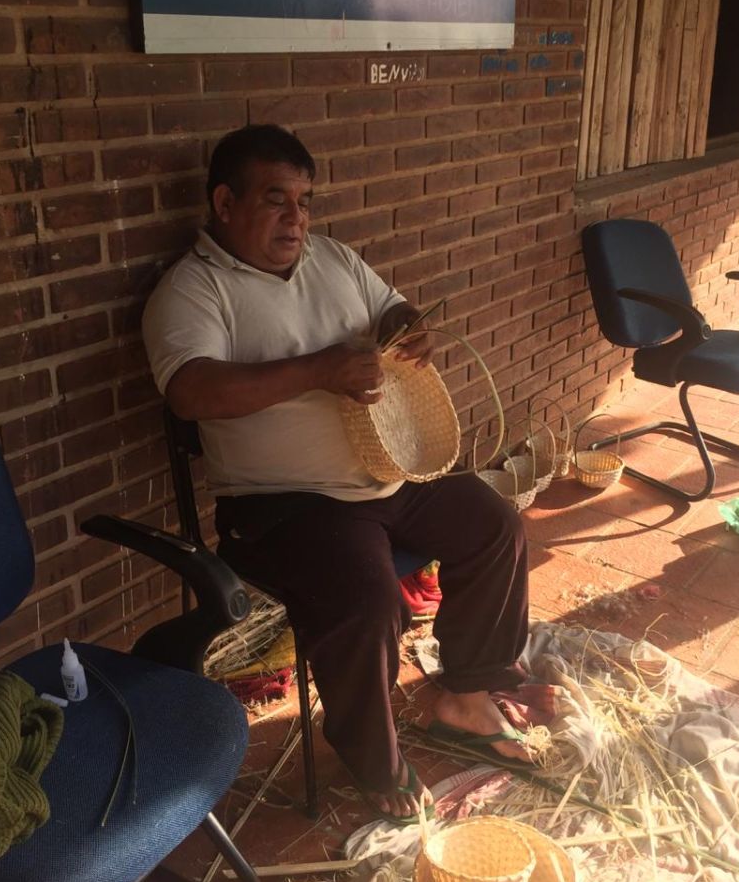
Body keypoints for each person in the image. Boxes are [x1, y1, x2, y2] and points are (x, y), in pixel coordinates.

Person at [142, 124, 533, 822]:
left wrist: (410, 325)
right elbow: (192, 391)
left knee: (493, 523)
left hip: (385, 470)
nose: (297, 218)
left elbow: (391, 310)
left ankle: (465, 696)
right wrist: (319, 371)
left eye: (305, 200)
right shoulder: (193, 290)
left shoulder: (334, 259)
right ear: (225, 202)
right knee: (367, 600)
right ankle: (373, 759)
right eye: (275, 199)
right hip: (283, 505)